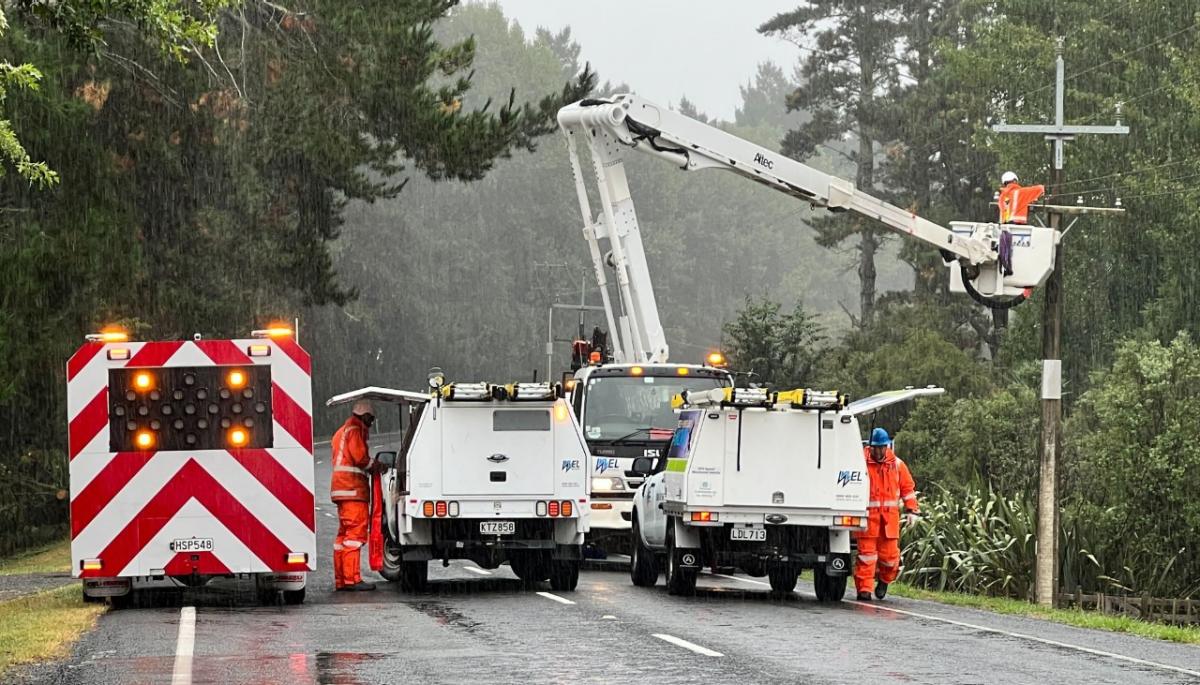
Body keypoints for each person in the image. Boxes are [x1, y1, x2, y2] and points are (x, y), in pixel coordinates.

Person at [854, 427, 919, 601]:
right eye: (876, 447)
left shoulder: (897, 465)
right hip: (868, 520)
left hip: (889, 521)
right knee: (866, 557)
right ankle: (864, 590)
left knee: (890, 559)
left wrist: (912, 510)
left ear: (887, 446)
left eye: (882, 447)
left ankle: (884, 581)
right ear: (871, 446)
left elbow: (908, 489)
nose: (879, 451)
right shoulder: (860, 462)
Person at [330, 400, 377, 591]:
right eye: (370, 419)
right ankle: (352, 580)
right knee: (355, 535)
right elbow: (360, 459)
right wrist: (377, 466)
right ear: (364, 416)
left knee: (343, 537)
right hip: (352, 490)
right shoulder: (355, 430)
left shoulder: (343, 430)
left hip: (342, 490)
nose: (371, 423)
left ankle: (341, 580)